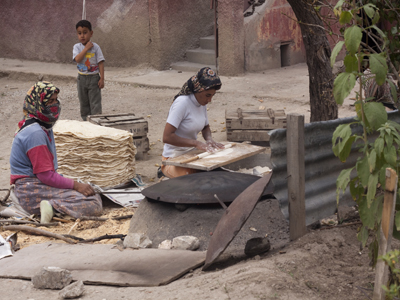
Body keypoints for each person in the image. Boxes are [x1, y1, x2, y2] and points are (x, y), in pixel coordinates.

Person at [10, 81, 103, 223]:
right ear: (37, 102)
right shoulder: (35, 133)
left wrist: (75, 185)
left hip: (34, 185)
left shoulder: (40, 126)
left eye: (55, 100)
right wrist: (76, 186)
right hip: (29, 189)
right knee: (92, 204)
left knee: (92, 195)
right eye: (49, 101)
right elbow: (45, 175)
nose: (54, 105)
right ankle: (51, 207)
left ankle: (52, 207)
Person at [160, 67, 224, 179]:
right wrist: (196, 143)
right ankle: (163, 171)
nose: (209, 100)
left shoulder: (201, 102)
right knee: (196, 179)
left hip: (193, 154)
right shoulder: (182, 103)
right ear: (198, 89)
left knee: (219, 170)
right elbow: (167, 137)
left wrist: (209, 139)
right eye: (207, 95)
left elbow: (205, 127)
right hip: (173, 158)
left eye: (212, 95)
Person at [73, 20, 105, 121]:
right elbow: (77, 59)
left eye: (85, 32)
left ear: (91, 33)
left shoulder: (96, 47)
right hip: (81, 78)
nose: (82, 36)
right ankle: (86, 121)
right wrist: (86, 49)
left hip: (94, 78)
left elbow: (100, 62)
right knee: (83, 101)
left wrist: (102, 79)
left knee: (95, 102)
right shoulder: (77, 47)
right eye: (79, 33)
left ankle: (96, 121)